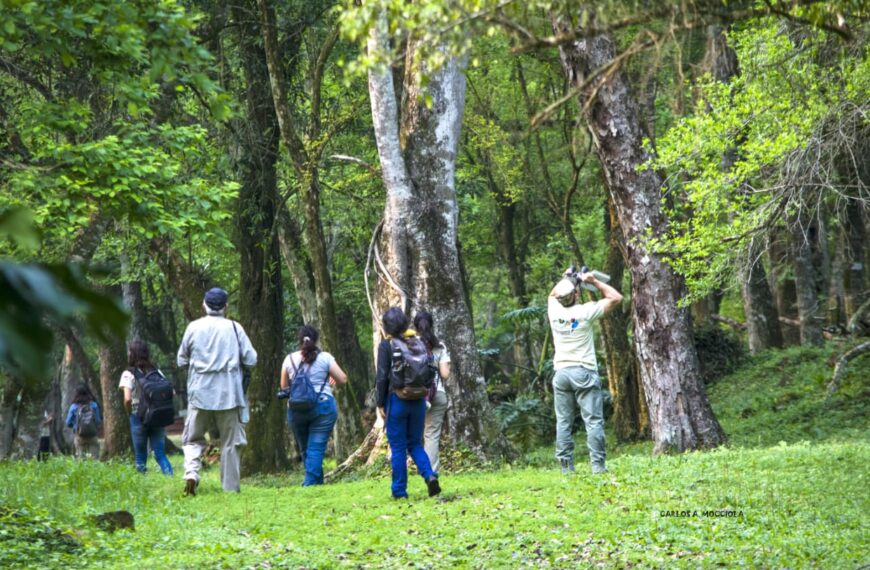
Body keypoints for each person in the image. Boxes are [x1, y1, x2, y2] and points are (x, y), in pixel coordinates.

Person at [177, 287, 256, 495]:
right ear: (225, 307)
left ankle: (192, 473)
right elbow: (251, 359)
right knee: (231, 442)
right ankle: (230, 488)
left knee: (192, 438)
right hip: (229, 393)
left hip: (199, 392)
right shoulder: (234, 327)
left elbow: (181, 359)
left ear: (204, 304)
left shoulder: (193, 327)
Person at [548, 267, 623, 475]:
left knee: (564, 421)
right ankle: (598, 467)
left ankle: (566, 469)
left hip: (561, 372)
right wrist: (594, 281)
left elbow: (554, 294)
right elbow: (616, 298)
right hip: (583, 371)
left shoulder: (553, 310)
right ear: (577, 294)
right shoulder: (585, 311)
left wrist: (568, 278)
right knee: (593, 421)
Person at [376, 307, 440, 499]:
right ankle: (429, 475)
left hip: (397, 399)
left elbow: (381, 377)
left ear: (387, 327)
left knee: (397, 447)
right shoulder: (418, 342)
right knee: (415, 443)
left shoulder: (387, 346)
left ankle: (399, 491)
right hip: (419, 399)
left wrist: (380, 403)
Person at [280, 325, 348, 486]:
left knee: (306, 449)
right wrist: (328, 380)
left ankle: (312, 483)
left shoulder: (289, 359)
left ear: (299, 340)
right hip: (323, 406)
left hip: (296, 409)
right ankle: (313, 483)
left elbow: (284, 387)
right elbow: (343, 379)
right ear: (316, 339)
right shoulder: (325, 358)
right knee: (316, 448)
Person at [119, 339, 174, 475]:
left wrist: (129, 412)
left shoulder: (128, 374)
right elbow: (171, 392)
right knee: (160, 453)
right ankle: (170, 477)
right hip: (157, 416)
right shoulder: (157, 371)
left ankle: (142, 483)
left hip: (138, 416)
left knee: (140, 455)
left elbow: (127, 399)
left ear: (131, 354)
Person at [414, 311, 450, 474]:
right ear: (432, 325)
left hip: (414, 394)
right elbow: (445, 374)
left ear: (415, 326)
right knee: (431, 435)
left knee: (411, 435)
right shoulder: (440, 346)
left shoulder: (409, 344)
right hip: (437, 393)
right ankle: (431, 472)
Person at [65, 385, 102, 460]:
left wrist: (76, 425)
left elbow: (68, 422)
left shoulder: (74, 406)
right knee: (95, 459)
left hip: (79, 436)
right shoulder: (94, 405)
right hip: (92, 435)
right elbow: (98, 421)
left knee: (81, 460)